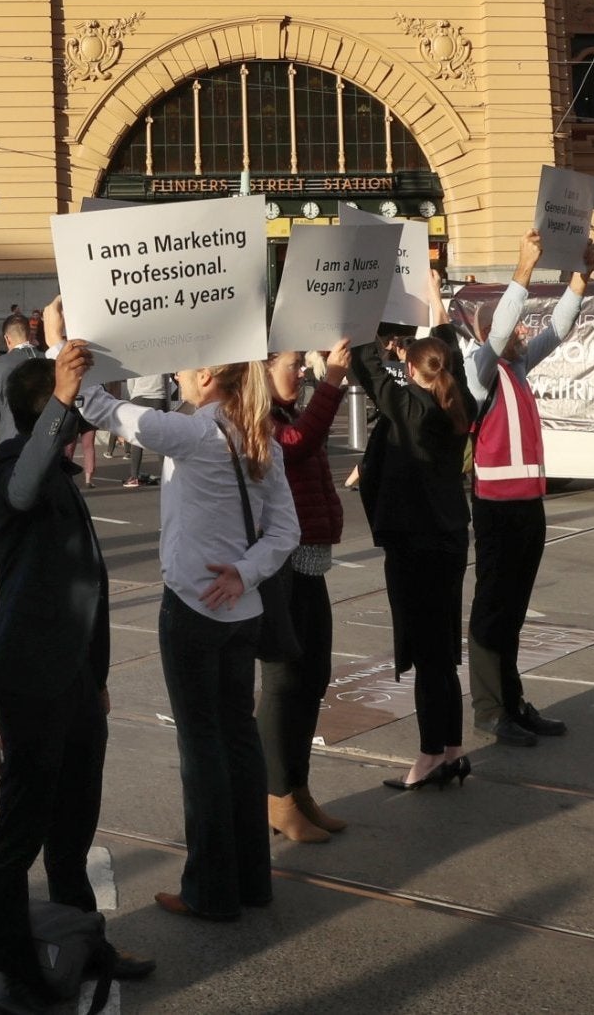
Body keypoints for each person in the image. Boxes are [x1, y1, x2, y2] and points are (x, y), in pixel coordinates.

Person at [65, 302, 299, 923]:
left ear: (206, 378)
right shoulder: (259, 437)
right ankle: (252, 880)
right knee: (239, 741)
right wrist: (246, 573)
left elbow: (98, 408)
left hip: (194, 610)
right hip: (241, 608)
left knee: (204, 751)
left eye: (185, 368)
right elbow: (287, 532)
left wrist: (62, 338)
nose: (176, 374)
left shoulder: (196, 431)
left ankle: (210, 890)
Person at [0, 346, 156, 1015]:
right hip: (24, 677)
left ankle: (83, 938)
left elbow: (92, 586)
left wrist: (99, 674)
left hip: (75, 679)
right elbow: (21, 487)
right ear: (49, 409)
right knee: (19, 827)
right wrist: (61, 396)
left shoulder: (65, 482)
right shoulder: (11, 467)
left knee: (74, 823)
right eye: (73, 402)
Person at [459, 230, 585, 747]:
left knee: (512, 610)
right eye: (514, 326)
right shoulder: (480, 369)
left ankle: (511, 701)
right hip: (495, 509)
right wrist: (523, 271)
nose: (525, 331)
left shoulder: (517, 365)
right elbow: (500, 330)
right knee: (493, 609)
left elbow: (556, 330)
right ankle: (490, 710)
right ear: (493, 331)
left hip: (528, 506)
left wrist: (580, 279)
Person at [352, 334, 472, 790]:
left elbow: (370, 371)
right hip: (450, 538)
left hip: (415, 545)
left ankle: (429, 755)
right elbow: (445, 363)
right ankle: (453, 749)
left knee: (426, 655)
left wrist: (363, 329)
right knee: (443, 651)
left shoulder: (409, 407)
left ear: (413, 368)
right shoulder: (457, 405)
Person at [259, 342, 351, 844]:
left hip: (309, 562)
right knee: (284, 682)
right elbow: (294, 443)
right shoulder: (258, 416)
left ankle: (298, 786)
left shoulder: (288, 409)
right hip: (279, 567)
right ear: (264, 369)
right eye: (293, 365)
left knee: (314, 675)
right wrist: (333, 382)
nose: (301, 371)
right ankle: (276, 796)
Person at [0, 315, 37, 448]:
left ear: (7, 338)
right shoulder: (48, 359)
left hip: (10, 438)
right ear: (30, 335)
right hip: (45, 440)